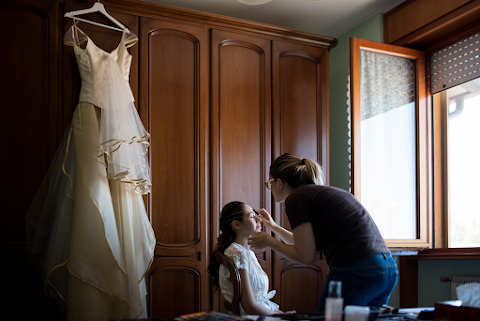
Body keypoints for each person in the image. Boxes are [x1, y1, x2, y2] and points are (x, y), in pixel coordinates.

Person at [248, 153, 398, 312]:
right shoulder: (318, 194)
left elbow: (305, 256)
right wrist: (273, 227)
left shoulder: (296, 199)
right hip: (387, 269)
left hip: (357, 268)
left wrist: (269, 242)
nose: (269, 188)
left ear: (279, 183)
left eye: (269, 183)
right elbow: (301, 242)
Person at [208, 201, 290, 316]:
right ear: (237, 225)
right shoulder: (238, 254)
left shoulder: (247, 253)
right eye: (252, 216)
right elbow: (249, 306)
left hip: (262, 313)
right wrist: (282, 316)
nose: (259, 219)